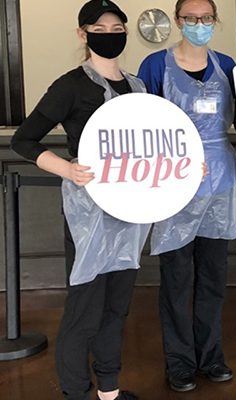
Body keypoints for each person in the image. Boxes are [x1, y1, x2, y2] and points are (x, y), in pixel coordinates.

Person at [11, 2, 145, 399]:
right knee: (86, 306)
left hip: (131, 211)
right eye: (99, 29)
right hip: (89, 215)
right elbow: (24, 139)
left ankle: (109, 391)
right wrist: (66, 169)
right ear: (82, 34)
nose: (110, 35)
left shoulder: (138, 87)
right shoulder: (70, 85)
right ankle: (76, 392)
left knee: (117, 305)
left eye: (117, 28)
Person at [137, 0, 236, 392]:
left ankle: (211, 356)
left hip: (219, 182)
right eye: (191, 18)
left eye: (206, 18)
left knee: (213, 277)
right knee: (177, 278)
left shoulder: (227, 66)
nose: (199, 24)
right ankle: (179, 362)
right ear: (178, 21)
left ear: (215, 21)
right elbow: (143, 125)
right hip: (175, 183)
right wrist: (176, 160)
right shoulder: (155, 66)